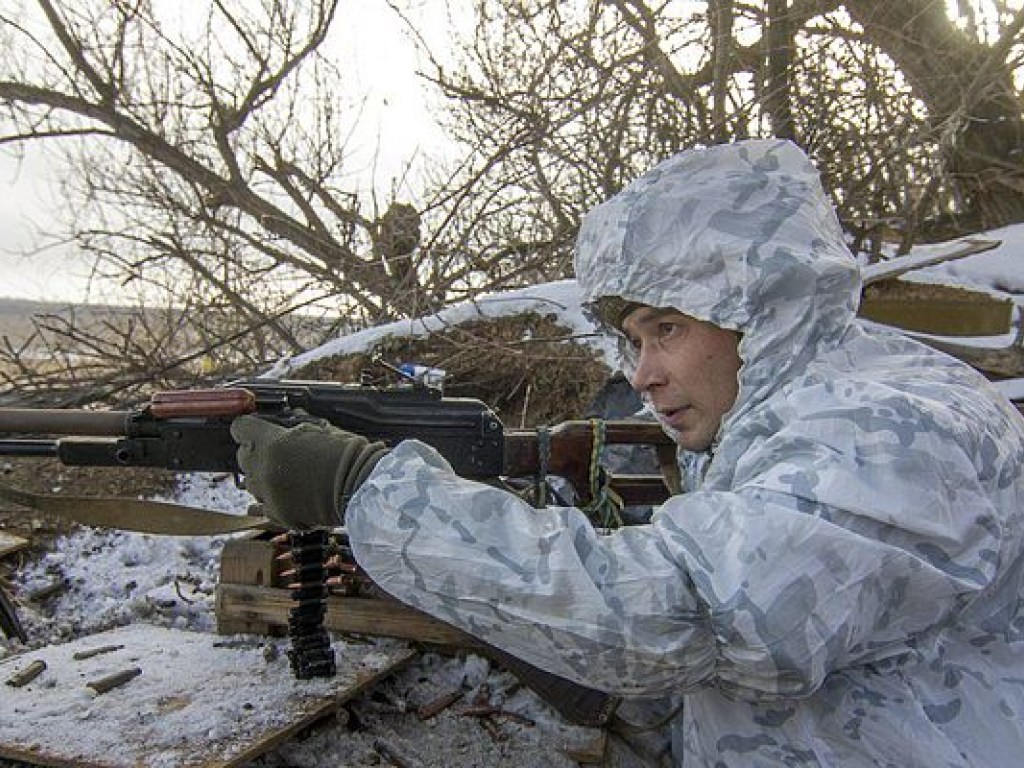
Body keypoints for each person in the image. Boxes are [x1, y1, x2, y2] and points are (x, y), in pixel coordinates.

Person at [231, 139, 1024, 766]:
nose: (642, 375)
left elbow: (680, 613)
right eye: (634, 339)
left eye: (666, 329)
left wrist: (368, 489)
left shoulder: (890, 429)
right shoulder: (790, 407)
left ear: (757, 307)